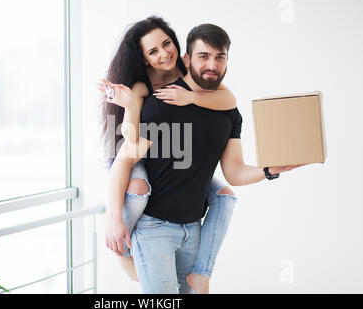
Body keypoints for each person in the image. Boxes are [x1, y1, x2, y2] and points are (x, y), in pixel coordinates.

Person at [115, 22, 303, 294]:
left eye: (220, 57)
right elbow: (125, 160)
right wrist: (115, 220)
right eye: (204, 56)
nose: (212, 65)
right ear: (187, 59)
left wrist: (270, 170)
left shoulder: (228, 112)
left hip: (193, 230)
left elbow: (234, 172)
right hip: (154, 228)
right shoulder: (161, 103)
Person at [99, 17, 238, 293]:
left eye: (167, 44)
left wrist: (192, 98)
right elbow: (130, 138)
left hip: (173, 154)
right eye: (153, 51)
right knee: (139, 188)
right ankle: (124, 251)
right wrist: (129, 104)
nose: (164, 54)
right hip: (137, 154)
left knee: (225, 196)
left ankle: (202, 272)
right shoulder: (142, 86)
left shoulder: (189, 71)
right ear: (145, 59)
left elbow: (229, 100)